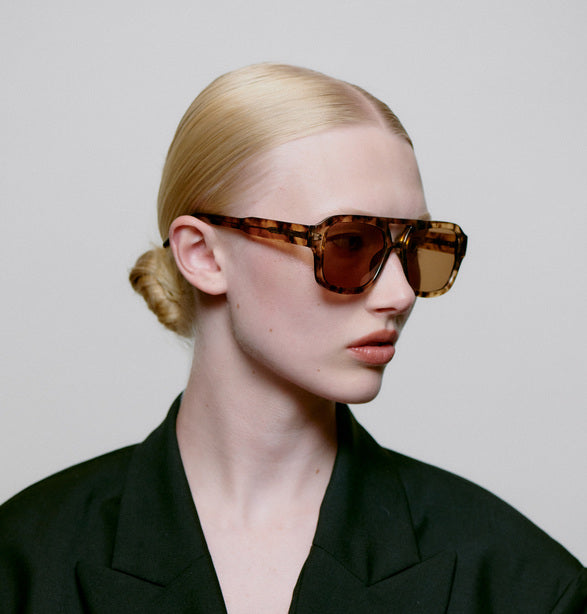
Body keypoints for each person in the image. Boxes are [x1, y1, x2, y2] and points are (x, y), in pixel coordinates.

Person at [0, 63, 585, 613]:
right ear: (203, 256)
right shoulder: (19, 563)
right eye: (348, 242)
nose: (401, 294)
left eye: (420, 247)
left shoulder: (524, 585)